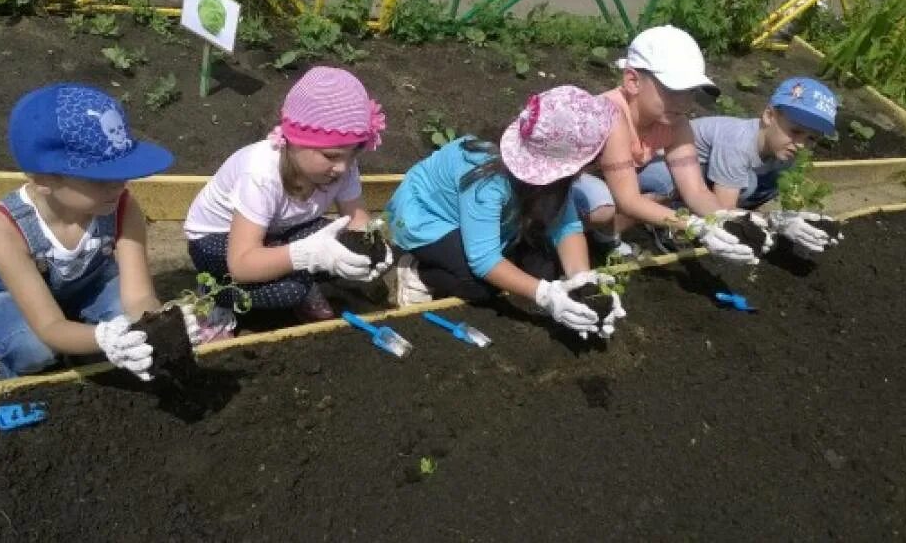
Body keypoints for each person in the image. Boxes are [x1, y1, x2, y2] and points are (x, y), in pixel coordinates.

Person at [0, 83, 173, 380]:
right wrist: (102, 339)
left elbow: (139, 298)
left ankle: (80, 337)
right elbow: (48, 326)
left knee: (128, 324)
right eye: (100, 178)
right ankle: (11, 371)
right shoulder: (7, 228)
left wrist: (156, 328)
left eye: (122, 172)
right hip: (9, 295)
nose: (119, 185)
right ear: (44, 180)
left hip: (87, 285)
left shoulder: (122, 207)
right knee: (33, 349)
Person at [385, 86, 623, 339]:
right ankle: (417, 273)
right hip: (426, 217)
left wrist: (582, 283)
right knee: (478, 285)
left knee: (543, 271)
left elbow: (566, 226)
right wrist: (546, 296)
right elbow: (484, 260)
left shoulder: (555, 179)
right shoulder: (486, 176)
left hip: (488, 222)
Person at [183, 66, 391, 335]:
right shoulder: (261, 174)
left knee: (341, 243)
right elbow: (242, 263)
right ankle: (214, 296)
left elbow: (357, 220)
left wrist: (373, 248)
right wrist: (308, 255)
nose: (342, 167)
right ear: (294, 141)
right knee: (289, 291)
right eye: (331, 156)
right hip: (218, 242)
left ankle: (292, 269)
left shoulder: (343, 167)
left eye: (352, 155)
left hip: (274, 232)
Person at [570, 25, 761, 263]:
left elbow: (697, 191)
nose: (683, 102)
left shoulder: (676, 122)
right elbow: (628, 201)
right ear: (632, 81)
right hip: (564, 182)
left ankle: (604, 235)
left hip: (611, 180)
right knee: (602, 203)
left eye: (690, 91)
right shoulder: (612, 113)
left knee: (665, 182)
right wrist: (694, 226)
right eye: (673, 90)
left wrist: (729, 222)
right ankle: (553, 237)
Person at [634, 77, 842, 256]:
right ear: (769, 116)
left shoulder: (787, 152)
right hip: (660, 167)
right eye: (795, 132)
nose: (801, 144)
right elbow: (724, 212)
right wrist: (778, 222)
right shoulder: (738, 143)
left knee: (753, 187)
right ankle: (665, 217)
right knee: (666, 183)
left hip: (708, 185)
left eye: (812, 139)